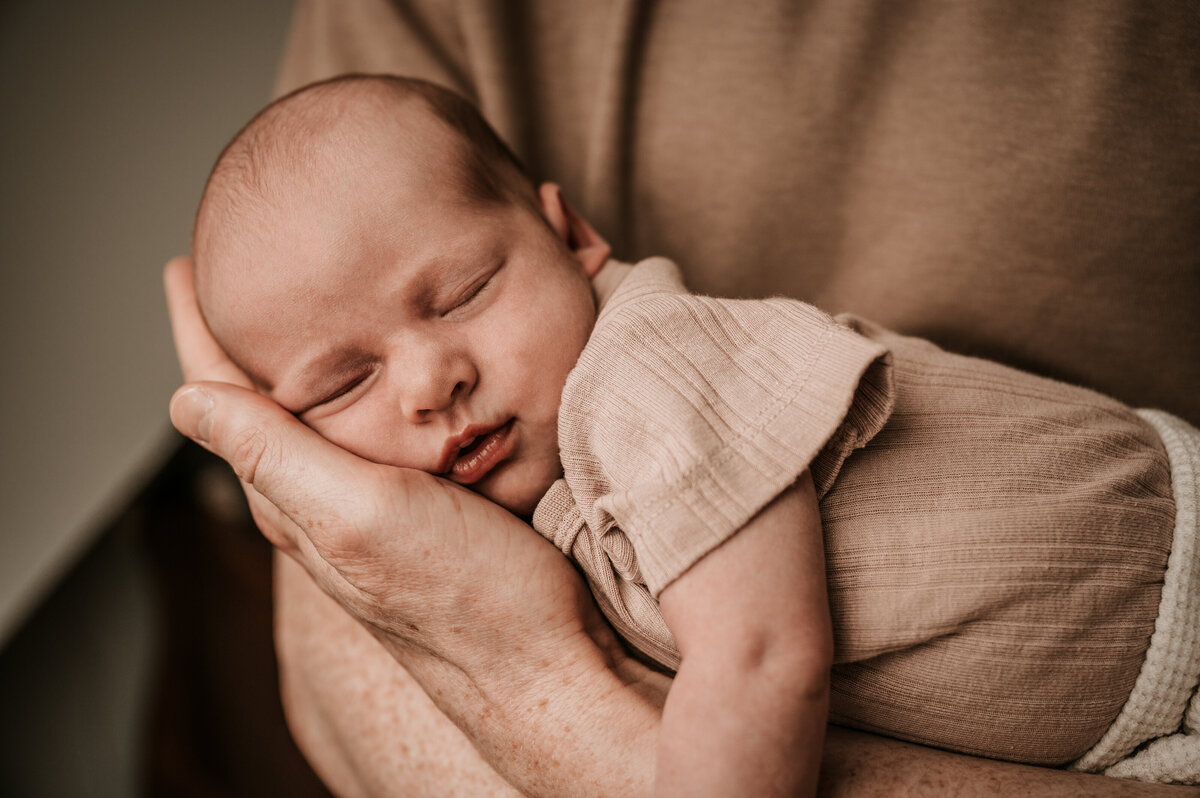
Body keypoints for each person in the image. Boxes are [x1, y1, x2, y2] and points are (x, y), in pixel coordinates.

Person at [168, 2, 1200, 795]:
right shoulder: (522, 493)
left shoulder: (649, 374)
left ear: (572, 239)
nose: (433, 381)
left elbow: (759, 660)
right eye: (345, 384)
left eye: (464, 294)